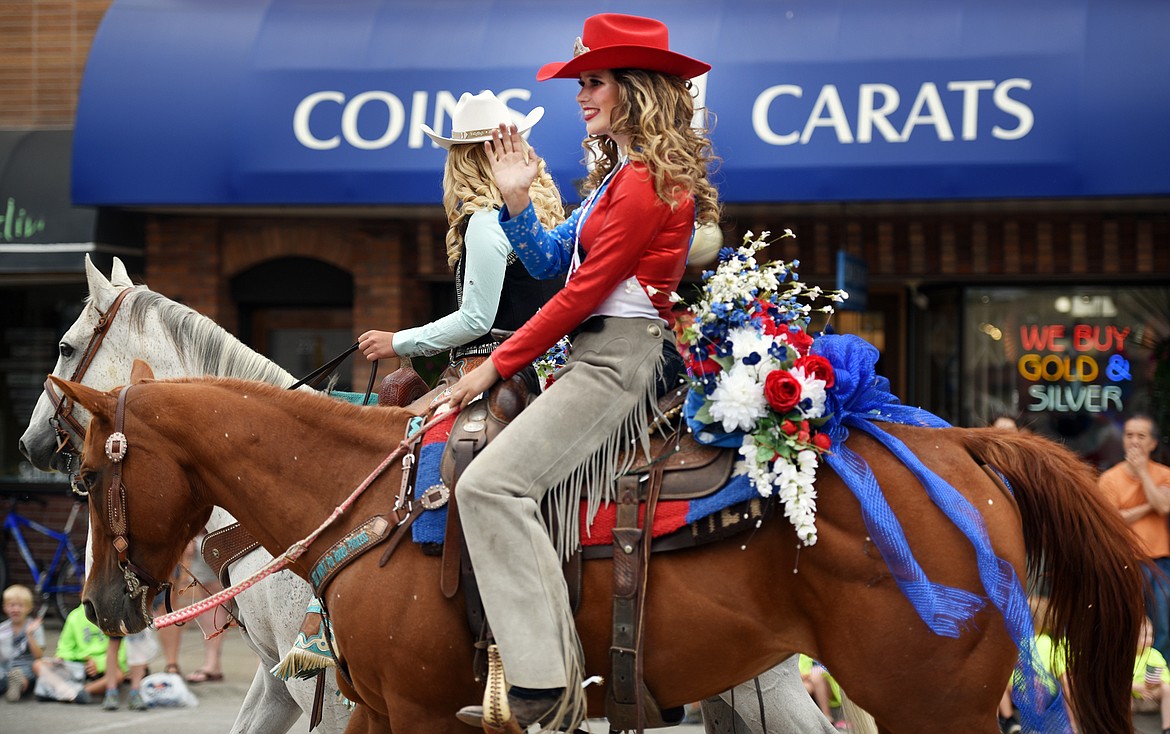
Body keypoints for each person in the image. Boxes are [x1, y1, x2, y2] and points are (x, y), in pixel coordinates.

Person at [445, 12, 720, 728]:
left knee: (488, 487)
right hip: (593, 359)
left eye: (593, 82)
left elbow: (583, 292)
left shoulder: (646, 182)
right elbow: (543, 261)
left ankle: (544, 686)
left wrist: (492, 366)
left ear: (635, 89)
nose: (581, 95)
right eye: (581, 83)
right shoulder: (615, 181)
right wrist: (512, 200)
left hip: (616, 366)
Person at [356, 89, 565, 377]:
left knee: (415, 422)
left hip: (501, 371)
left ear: (461, 160)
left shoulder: (486, 221)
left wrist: (397, 342)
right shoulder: (538, 215)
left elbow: (476, 320)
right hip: (551, 369)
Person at [1099, 414, 1170, 660]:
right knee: (1126, 623)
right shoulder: (1110, 478)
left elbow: (1163, 507)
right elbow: (1111, 520)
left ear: (1153, 443)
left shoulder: (1164, 474)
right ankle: (1128, 678)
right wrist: (1148, 505)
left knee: (1162, 627)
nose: (1134, 441)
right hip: (1125, 561)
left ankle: (1160, 681)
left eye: (1141, 436)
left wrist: (1143, 473)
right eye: (1129, 435)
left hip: (1160, 563)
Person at [1, 584, 44, 702]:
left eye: (20, 605)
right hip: (5, 667)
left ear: (29, 607)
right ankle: (9, 684)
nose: (16, 609)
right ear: (5, 607)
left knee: (21, 674)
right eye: (12, 605)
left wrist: (29, 635)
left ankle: (17, 686)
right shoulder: (2, 629)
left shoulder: (34, 627)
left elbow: (39, 656)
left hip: (26, 668)